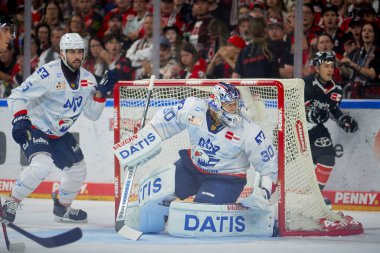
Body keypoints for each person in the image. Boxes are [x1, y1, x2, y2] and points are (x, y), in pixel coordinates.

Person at [115, 82, 278, 233]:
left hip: (225, 179)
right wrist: (143, 139)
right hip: (191, 168)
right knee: (155, 200)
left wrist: (263, 193)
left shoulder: (250, 131)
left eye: (236, 104)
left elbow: (269, 166)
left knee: (200, 214)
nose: (234, 109)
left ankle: (249, 220)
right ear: (216, 104)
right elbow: (164, 123)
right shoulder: (193, 108)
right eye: (229, 105)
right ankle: (153, 219)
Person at [2, 33, 117, 223]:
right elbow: (16, 95)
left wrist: (101, 94)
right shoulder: (47, 73)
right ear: (62, 53)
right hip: (36, 128)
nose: (76, 56)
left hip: (59, 134)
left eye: (79, 51)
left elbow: (92, 114)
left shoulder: (88, 79)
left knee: (78, 169)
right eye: (71, 52)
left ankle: (62, 207)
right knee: (42, 165)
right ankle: (11, 203)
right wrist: (20, 118)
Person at [303, 51, 358, 202]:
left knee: (327, 158)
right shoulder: (304, 84)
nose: (329, 70)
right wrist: (309, 115)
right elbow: (291, 109)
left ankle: (312, 197)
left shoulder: (337, 91)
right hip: (296, 130)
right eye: (325, 66)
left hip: (315, 130)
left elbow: (332, 109)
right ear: (316, 68)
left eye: (332, 66)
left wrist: (341, 118)